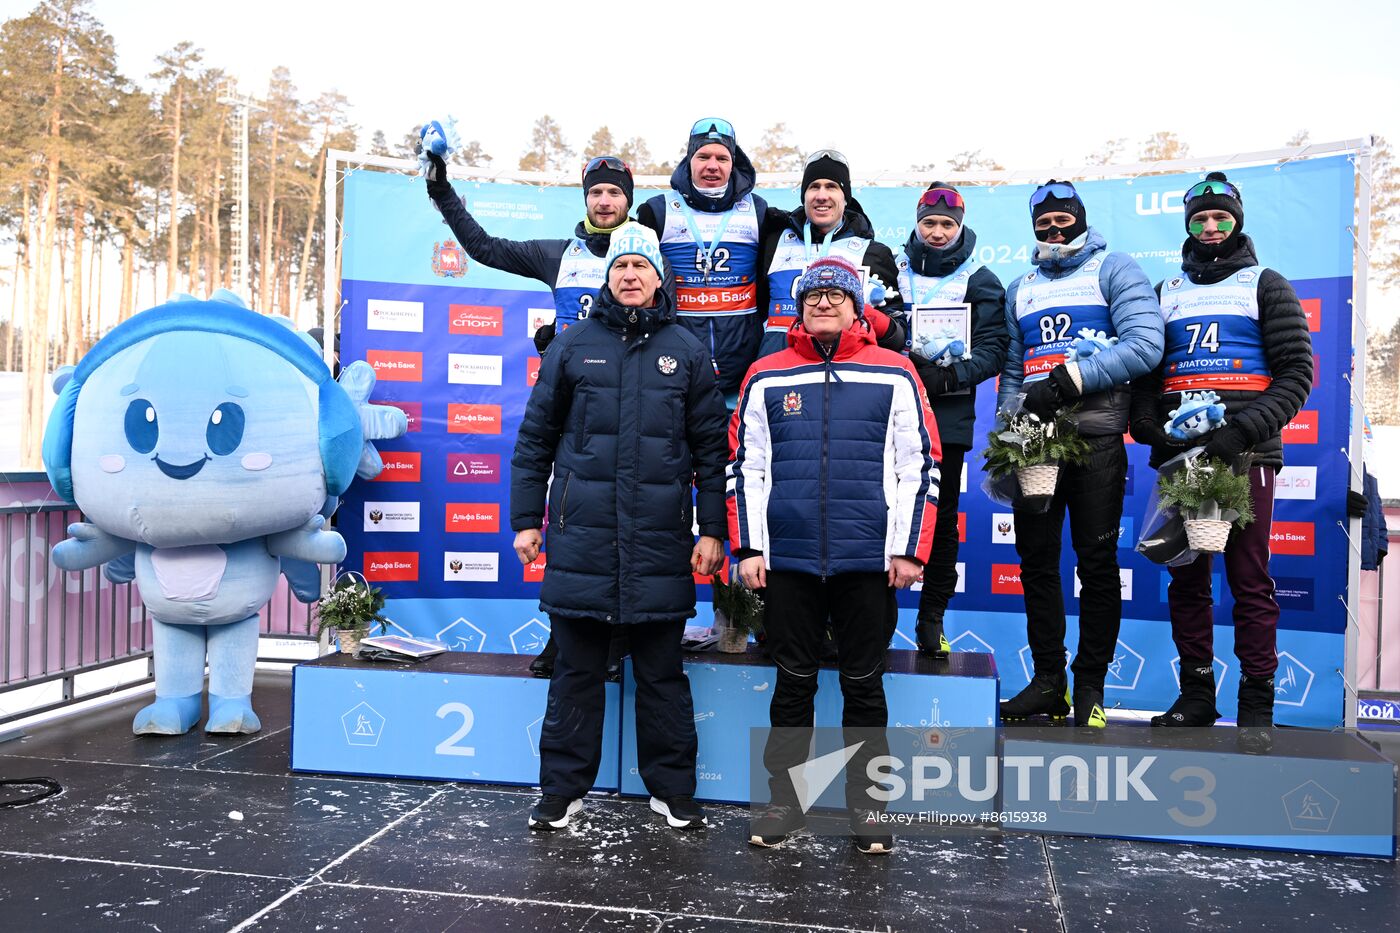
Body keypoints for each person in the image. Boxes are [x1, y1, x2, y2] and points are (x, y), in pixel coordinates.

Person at [511, 223, 728, 831]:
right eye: (620, 267)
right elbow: (535, 442)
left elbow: (713, 451)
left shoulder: (687, 350)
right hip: (582, 538)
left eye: (641, 266)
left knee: (662, 676)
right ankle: (561, 791)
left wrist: (712, 528)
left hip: (660, 540)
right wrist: (526, 520)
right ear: (607, 278)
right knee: (575, 674)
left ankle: (674, 790)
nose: (630, 276)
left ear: (659, 278)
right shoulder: (572, 345)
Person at [728, 255, 940, 854]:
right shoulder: (767, 374)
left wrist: (906, 550)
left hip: (867, 562)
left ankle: (869, 812)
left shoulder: (895, 372)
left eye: (836, 296)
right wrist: (749, 547)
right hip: (789, 560)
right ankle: (782, 805)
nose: (824, 303)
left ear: (856, 306)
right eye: (813, 295)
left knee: (865, 688)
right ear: (798, 307)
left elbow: (918, 466)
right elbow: (747, 466)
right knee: (792, 685)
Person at [425, 151, 660, 678]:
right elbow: (484, 248)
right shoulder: (559, 253)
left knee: (631, 522)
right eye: (596, 193)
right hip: (574, 405)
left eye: (615, 193)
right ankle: (567, 637)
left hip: (635, 403)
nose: (604, 201)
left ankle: (620, 642)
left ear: (630, 200)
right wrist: (441, 192)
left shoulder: (648, 252)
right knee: (571, 521)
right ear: (585, 199)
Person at [1128, 172, 1313, 746]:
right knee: (1186, 577)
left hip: (1245, 454)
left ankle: (1257, 703)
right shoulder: (1167, 289)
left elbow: (1296, 376)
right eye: (1200, 219)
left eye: (1221, 218)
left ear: (1237, 220)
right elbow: (1150, 375)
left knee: (1248, 578)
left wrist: (1241, 432)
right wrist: (1147, 423)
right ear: (1188, 224)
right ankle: (1197, 696)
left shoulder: (1267, 283)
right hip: (1182, 455)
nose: (1210, 227)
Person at [997, 180, 1163, 728]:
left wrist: (1069, 381)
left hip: (1095, 440)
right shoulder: (1019, 286)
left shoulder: (1115, 268)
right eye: (1043, 222)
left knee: (1096, 566)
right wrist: (1007, 433)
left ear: (1081, 219)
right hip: (1034, 444)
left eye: (1063, 219)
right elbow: (1016, 372)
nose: (1054, 229)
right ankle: (1049, 683)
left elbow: (1144, 344)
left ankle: (1090, 687)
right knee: (1036, 565)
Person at [898, 184, 1008, 656]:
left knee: (940, 520)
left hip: (946, 414)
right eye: (929, 223)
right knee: (884, 513)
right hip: (890, 410)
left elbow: (994, 349)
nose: (938, 232)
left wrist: (946, 379)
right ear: (917, 225)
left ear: (960, 227)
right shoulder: (894, 271)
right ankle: (874, 616)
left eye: (947, 225)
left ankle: (932, 618)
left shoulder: (979, 279)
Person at [637, 118, 784, 397]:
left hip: (743, 360)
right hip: (675, 360)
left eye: (722, 158)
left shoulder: (758, 210)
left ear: (733, 163)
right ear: (689, 160)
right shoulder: (657, 211)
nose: (712, 165)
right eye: (703, 156)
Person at [758, 149, 906, 359]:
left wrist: (870, 316)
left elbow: (897, 336)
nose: (821, 196)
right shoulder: (774, 242)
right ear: (804, 196)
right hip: (781, 374)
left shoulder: (873, 252)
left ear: (845, 198)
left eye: (831, 187)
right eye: (814, 187)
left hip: (845, 378)